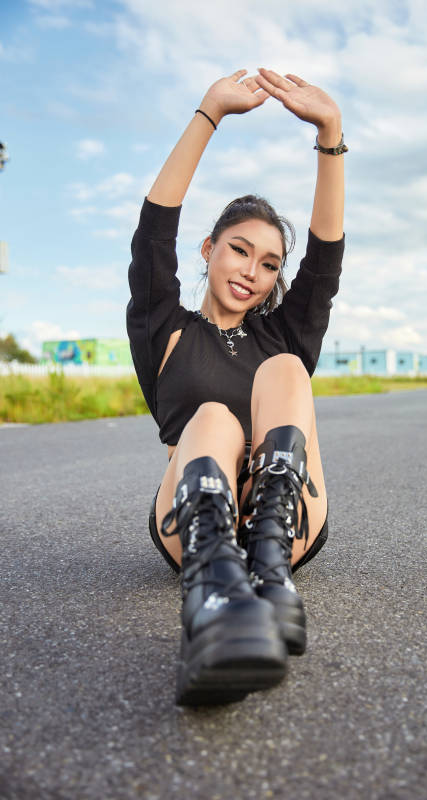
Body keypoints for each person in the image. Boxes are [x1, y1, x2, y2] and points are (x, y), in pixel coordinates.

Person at [127, 68, 345, 706]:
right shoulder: (163, 328)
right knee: (216, 418)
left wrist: (330, 135)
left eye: (270, 262)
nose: (252, 271)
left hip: (285, 518)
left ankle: (268, 574)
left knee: (284, 373)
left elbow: (326, 261)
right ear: (208, 249)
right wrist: (210, 113)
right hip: (196, 524)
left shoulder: (284, 337)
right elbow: (152, 233)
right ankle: (214, 591)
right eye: (239, 250)